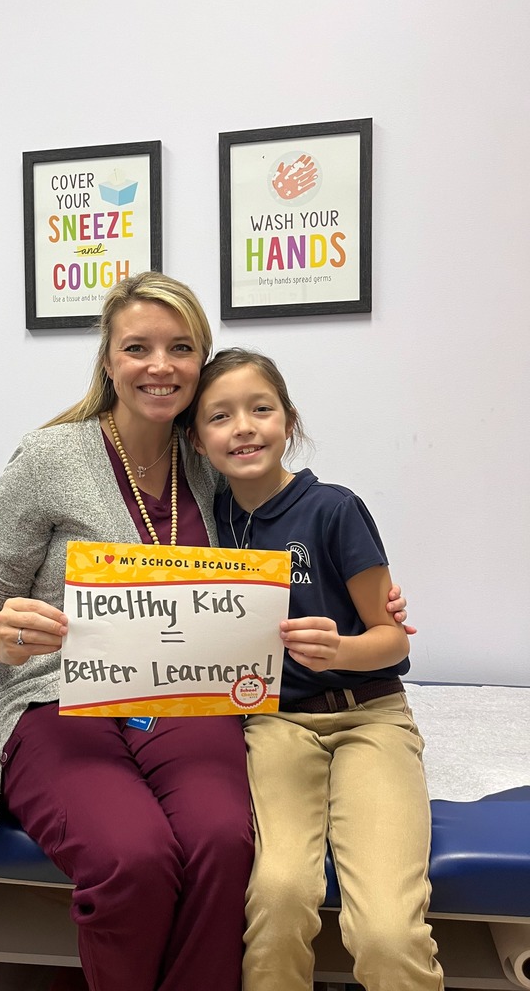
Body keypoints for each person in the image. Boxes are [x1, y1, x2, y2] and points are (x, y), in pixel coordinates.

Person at [0, 274, 410, 991]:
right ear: (108, 360)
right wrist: (5, 635)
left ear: (200, 362)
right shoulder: (48, 459)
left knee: (224, 842)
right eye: (138, 348)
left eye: (181, 348)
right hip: (55, 698)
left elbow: (289, 537)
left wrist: (372, 605)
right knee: (133, 856)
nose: (160, 365)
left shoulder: (211, 461)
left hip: (182, 693)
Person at [188, 348, 444, 991]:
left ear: (288, 419)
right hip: (273, 725)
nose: (243, 427)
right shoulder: (205, 521)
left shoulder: (334, 509)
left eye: (260, 408)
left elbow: (393, 640)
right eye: (219, 416)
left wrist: (342, 650)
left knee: (386, 932)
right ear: (196, 439)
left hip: (369, 718)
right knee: (277, 898)